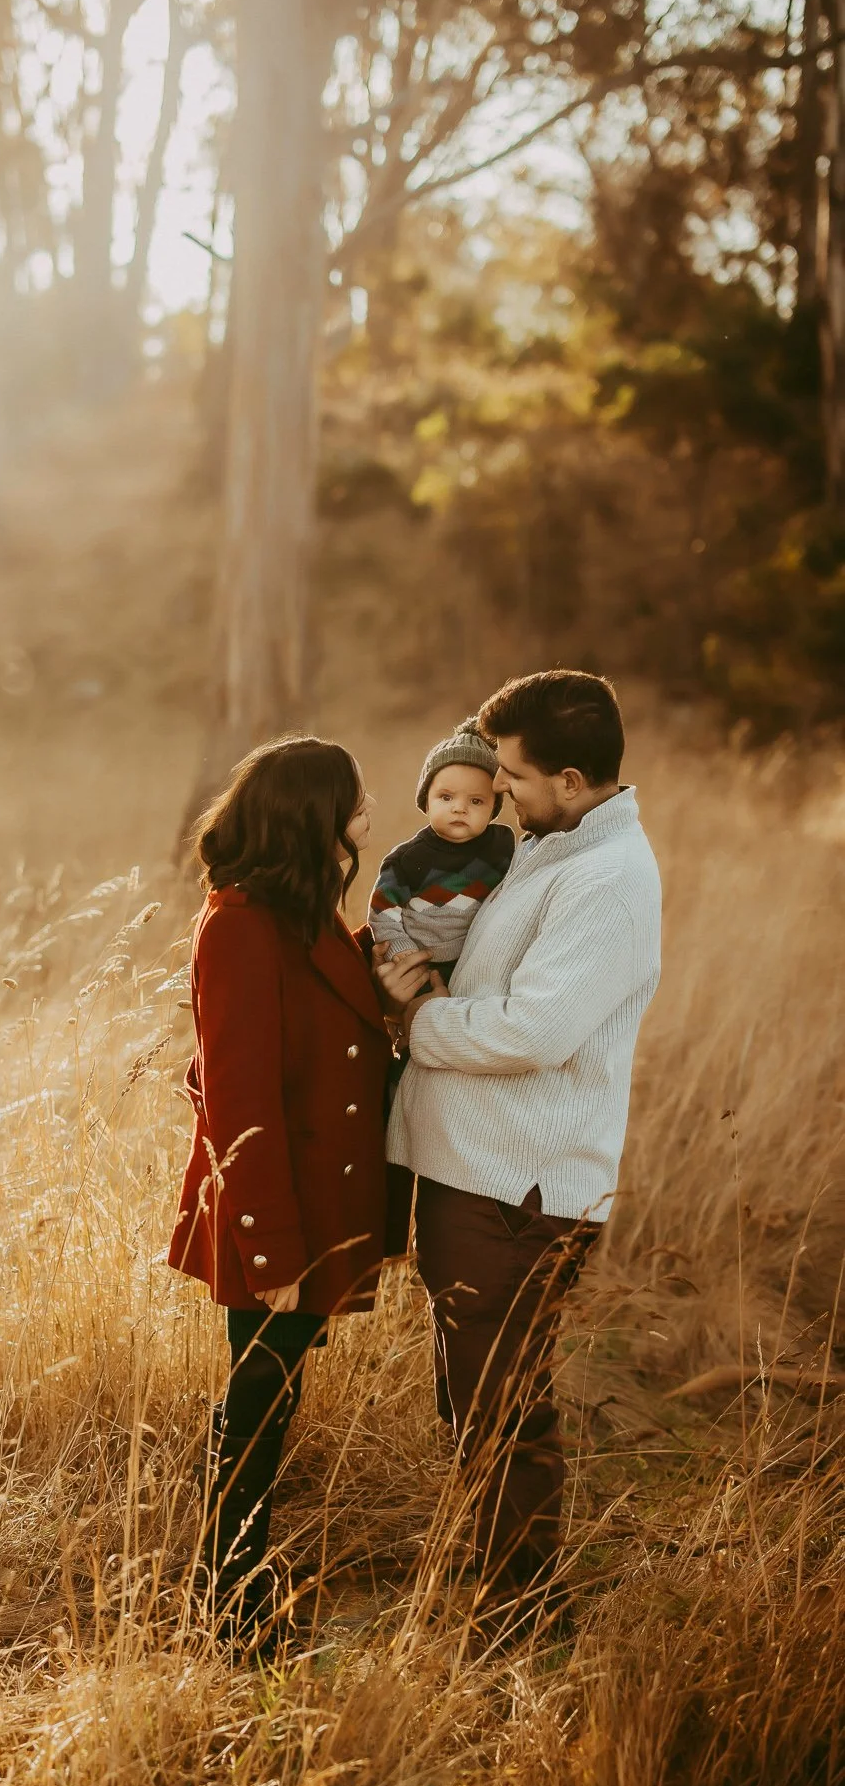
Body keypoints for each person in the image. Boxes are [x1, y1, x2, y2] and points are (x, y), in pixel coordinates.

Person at [375, 670, 661, 1638]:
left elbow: (532, 1029)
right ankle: (493, 1576)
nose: (495, 789)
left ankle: (526, 1621)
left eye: (511, 774)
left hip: (518, 1185)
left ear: (571, 779)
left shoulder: (604, 880)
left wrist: (417, 1017)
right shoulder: (548, 843)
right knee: (472, 1395)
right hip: (472, 1171)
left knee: (502, 1410)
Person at [167, 737, 425, 1649]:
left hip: (315, 1206)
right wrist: (272, 1252)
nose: (372, 804)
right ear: (314, 813)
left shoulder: (301, 909)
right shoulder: (237, 925)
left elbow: (325, 1004)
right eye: (357, 795)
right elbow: (239, 1101)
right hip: (272, 1218)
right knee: (257, 1405)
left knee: (267, 1396)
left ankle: (232, 1586)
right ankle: (229, 1609)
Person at [368, 717, 516, 1256]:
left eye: (477, 801)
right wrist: (407, 958)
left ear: (494, 810)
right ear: (425, 798)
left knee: (452, 1087)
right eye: (447, 796)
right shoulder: (407, 859)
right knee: (402, 1096)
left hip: (472, 974)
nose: (460, 808)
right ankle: (389, 1233)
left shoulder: (502, 852)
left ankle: (459, 1202)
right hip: (424, 968)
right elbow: (382, 913)